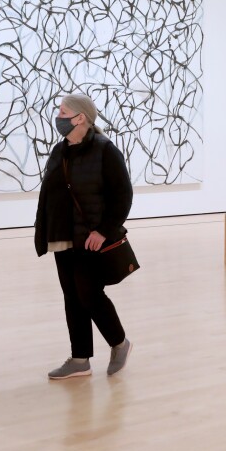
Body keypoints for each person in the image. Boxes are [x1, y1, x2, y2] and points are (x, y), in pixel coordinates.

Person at [34, 93, 134, 379]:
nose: (59, 116)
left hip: (90, 239)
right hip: (63, 236)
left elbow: (123, 196)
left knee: (89, 294)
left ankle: (119, 343)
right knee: (71, 297)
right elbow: (49, 195)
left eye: (64, 112)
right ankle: (80, 359)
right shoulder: (60, 150)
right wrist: (44, 232)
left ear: (80, 118)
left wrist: (103, 231)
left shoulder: (105, 150)